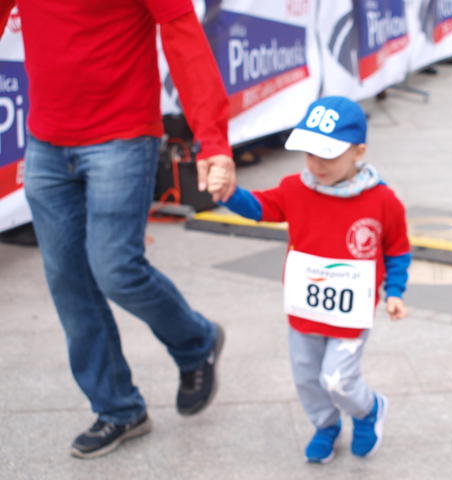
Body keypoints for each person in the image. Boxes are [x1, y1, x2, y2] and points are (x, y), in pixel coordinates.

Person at [0, 0, 236, 459]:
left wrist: (213, 140)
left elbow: (183, 34)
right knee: (68, 280)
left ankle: (196, 341)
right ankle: (118, 408)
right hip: (46, 141)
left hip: (121, 137)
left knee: (115, 269)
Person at [211, 96, 412, 463]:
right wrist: (229, 194)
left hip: (350, 312)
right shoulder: (295, 188)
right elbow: (260, 207)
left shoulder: (383, 200)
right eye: (309, 153)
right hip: (304, 307)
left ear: (358, 152)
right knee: (306, 376)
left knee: (337, 378)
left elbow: (397, 248)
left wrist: (395, 292)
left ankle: (368, 409)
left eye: (328, 155)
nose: (316, 164)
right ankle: (325, 425)